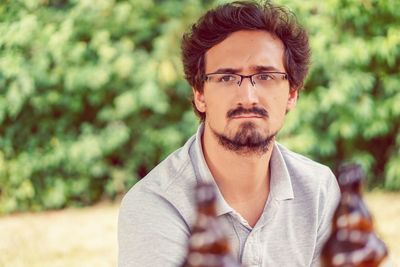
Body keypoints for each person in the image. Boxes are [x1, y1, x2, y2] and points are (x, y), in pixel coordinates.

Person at [118, 1, 340, 266]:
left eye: (266, 76)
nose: (247, 97)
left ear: (291, 93)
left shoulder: (319, 191)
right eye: (226, 78)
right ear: (200, 95)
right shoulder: (155, 204)